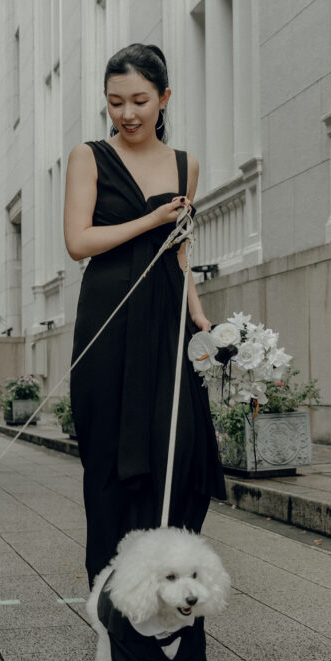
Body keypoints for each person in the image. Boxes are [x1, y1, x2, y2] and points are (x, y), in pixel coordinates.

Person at [64, 43, 225, 586]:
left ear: (164, 98)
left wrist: (198, 314)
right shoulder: (88, 156)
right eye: (115, 102)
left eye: (139, 100)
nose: (127, 114)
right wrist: (150, 220)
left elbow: (180, 251)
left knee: (179, 449)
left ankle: (167, 585)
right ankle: (113, 591)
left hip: (166, 320)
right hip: (107, 317)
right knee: (110, 455)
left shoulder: (185, 165)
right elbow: (78, 241)